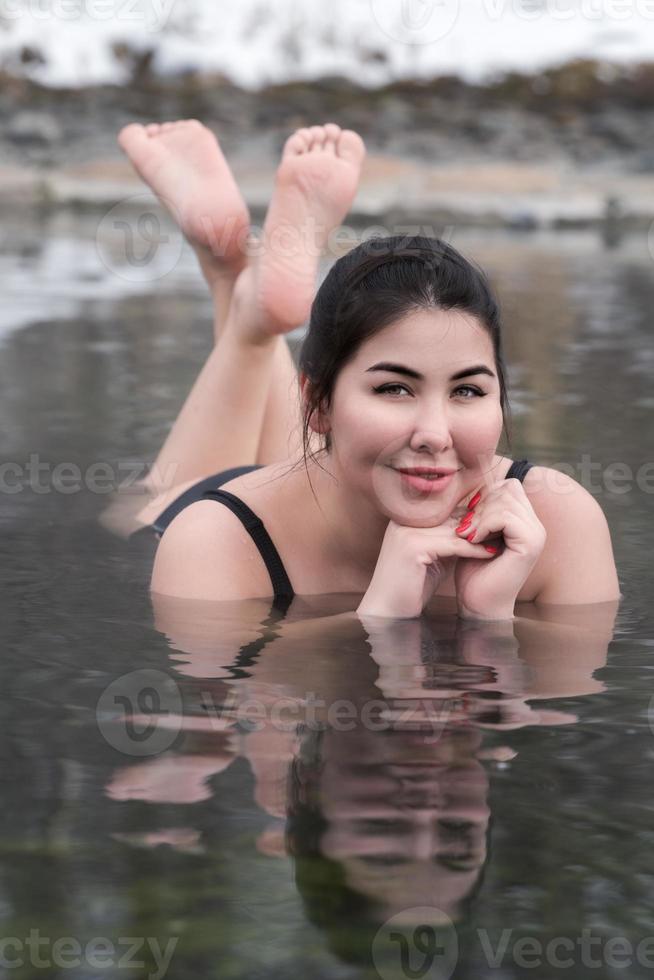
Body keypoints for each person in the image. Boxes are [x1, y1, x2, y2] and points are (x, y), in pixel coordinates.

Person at [115, 118, 621, 621]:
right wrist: (383, 620)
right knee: (137, 508)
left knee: (349, 455)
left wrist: (489, 616)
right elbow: (240, 695)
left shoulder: (559, 523)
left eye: (466, 391)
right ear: (314, 404)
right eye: (396, 388)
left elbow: (562, 695)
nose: (435, 434)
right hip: (254, 514)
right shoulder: (209, 539)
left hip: (338, 472)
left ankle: (243, 290)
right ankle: (242, 295)